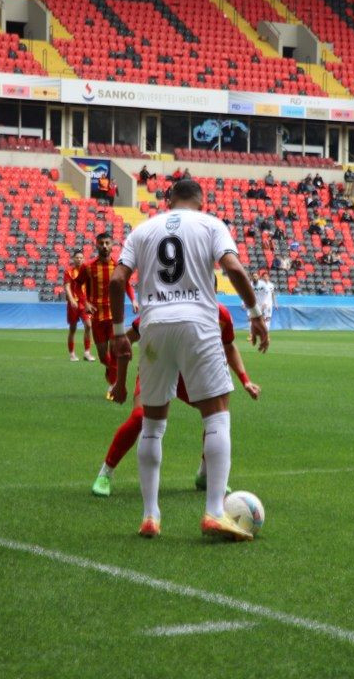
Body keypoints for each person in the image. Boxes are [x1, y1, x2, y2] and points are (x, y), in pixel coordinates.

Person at [107, 178, 269, 541]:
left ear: (168, 200)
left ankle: (150, 516)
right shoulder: (211, 224)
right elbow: (235, 270)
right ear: (201, 200)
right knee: (216, 416)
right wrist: (255, 313)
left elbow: (118, 280)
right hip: (198, 323)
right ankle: (213, 512)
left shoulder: (143, 229)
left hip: (154, 326)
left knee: (152, 424)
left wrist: (119, 333)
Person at [92, 303, 260, 497]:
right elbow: (125, 341)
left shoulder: (220, 314)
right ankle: (106, 472)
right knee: (140, 417)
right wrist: (119, 381)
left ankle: (205, 475)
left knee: (216, 416)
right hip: (157, 369)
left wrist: (245, 380)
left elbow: (229, 345)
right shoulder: (166, 308)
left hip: (190, 375)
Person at [77, 232, 136, 387]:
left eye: (107, 243)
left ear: (112, 245)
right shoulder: (88, 267)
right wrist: (85, 303)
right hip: (97, 316)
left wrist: (134, 300)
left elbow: (127, 284)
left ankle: (113, 385)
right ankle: (112, 371)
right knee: (104, 357)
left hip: (114, 316)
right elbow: (76, 285)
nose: (104, 246)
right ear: (96, 244)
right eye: (101, 243)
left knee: (115, 352)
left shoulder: (118, 266)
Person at [62, 250, 94, 362]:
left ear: (84, 259)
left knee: (89, 326)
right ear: (73, 259)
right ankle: (72, 354)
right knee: (73, 329)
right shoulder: (69, 271)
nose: (79, 259)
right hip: (73, 304)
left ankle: (87, 353)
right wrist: (71, 300)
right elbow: (67, 287)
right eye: (77, 257)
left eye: (81, 258)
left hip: (84, 303)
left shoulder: (87, 271)